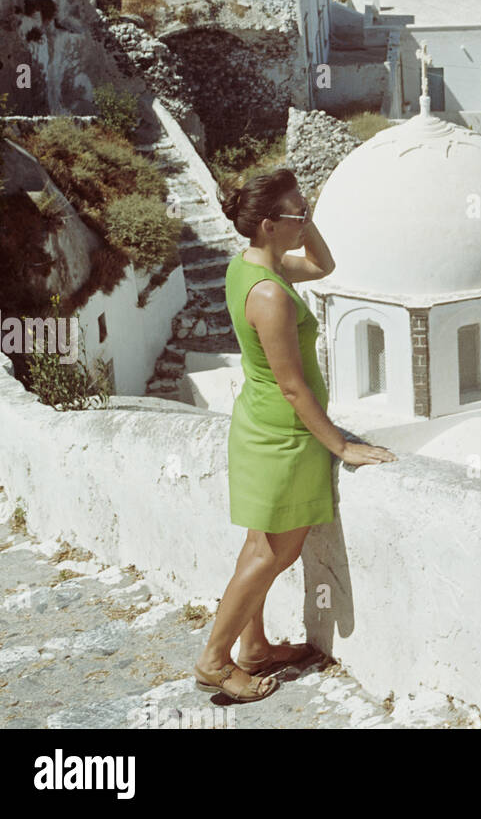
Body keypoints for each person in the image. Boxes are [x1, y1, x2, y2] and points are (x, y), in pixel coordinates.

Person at [194, 167, 396, 703]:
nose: (306, 219)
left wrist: (302, 218)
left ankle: (254, 647)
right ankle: (214, 660)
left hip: (265, 429)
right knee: (270, 555)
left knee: (259, 547)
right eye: (296, 214)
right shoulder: (270, 295)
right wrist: (342, 445)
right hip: (281, 436)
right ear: (266, 225)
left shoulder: (257, 264)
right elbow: (292, 387)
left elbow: (325, 265)